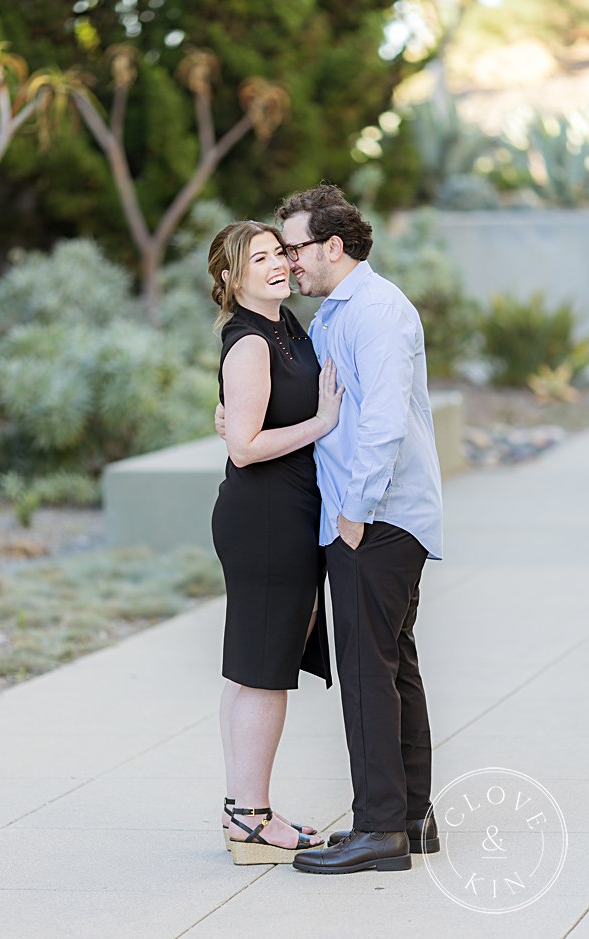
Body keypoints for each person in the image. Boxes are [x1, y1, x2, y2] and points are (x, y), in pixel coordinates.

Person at [274, 184, 443, 874]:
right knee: (393, 667)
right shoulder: (340, 312)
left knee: (370, 673)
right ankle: (407, 817)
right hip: (377, 516)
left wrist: (353, 515)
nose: (289, 264)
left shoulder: (374, 311)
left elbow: (382, 423)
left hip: (377, 518)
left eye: (295, 249)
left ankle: (380, 829)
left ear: (332, 246)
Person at [208, 220, 343, 865]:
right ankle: (253, 822)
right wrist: (322, 423)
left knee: (250, 670)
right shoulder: (252, 342)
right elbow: (243, 444)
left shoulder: (286, 327)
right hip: (266, 520)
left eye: (280, 254)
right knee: (263, 674)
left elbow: (235, 421)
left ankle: (243, 812)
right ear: (232, 279)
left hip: (274, 515)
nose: (277, 265)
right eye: (258, 258)